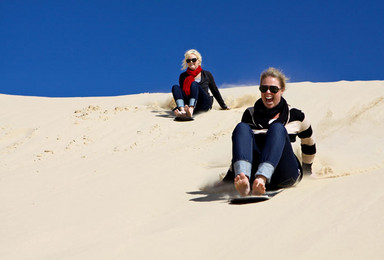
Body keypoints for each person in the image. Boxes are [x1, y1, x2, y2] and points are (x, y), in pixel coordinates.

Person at [223, 67, 316, 196]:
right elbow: (243, 146)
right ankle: (244, 179)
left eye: (273, 89)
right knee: (241, 128)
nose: (268, 92)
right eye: (264, 88)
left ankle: (262, 179)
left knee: (277, 128)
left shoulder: (296, 115)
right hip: (254, 172)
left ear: (282, 90)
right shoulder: (250, 114)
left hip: (285, 174)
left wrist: (307, 171)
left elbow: (309, 143)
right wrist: (230, 177)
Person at [171, 49, 229, 119]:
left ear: (198, 61)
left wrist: (223, 106)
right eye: (188, 61)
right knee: (175, 87)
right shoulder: (183, 76)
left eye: (194, 60)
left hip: (204, 103)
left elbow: (215, 91)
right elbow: (181, 93)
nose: (191, 62)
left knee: (194, 84)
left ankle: (191, 110)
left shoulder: (206, 74)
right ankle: (183, 111)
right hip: (189, 103)